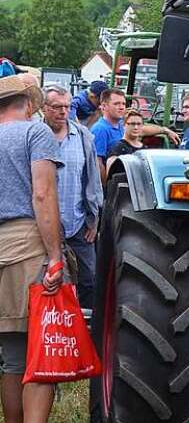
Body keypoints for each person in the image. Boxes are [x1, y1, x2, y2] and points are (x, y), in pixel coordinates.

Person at [0, 74, 67, 423]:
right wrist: (56, 252)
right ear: (29, 101)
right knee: (43, 353)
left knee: (10, 354)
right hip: (27, 245)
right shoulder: (36, 132)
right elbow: (43, 194)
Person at [40, 86, 103, 310]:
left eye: (66, 107)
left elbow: (93, 180)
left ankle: (83, 328)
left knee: (90, 279)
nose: (63, 112)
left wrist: (93, 220)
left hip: (77, 225)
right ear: (44, 108)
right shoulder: (34, 135)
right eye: (57, 107)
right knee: (44, 281)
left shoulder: (83, 136)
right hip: (41, 227)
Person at [92, 88, 179, 180]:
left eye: (123, 104)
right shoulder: (100, 129)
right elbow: (98, 163)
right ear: (104, 106)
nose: (121, 107)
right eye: (116, 104)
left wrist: (165, 130)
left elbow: (143, 130)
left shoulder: (121, 124)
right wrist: (106, 189)